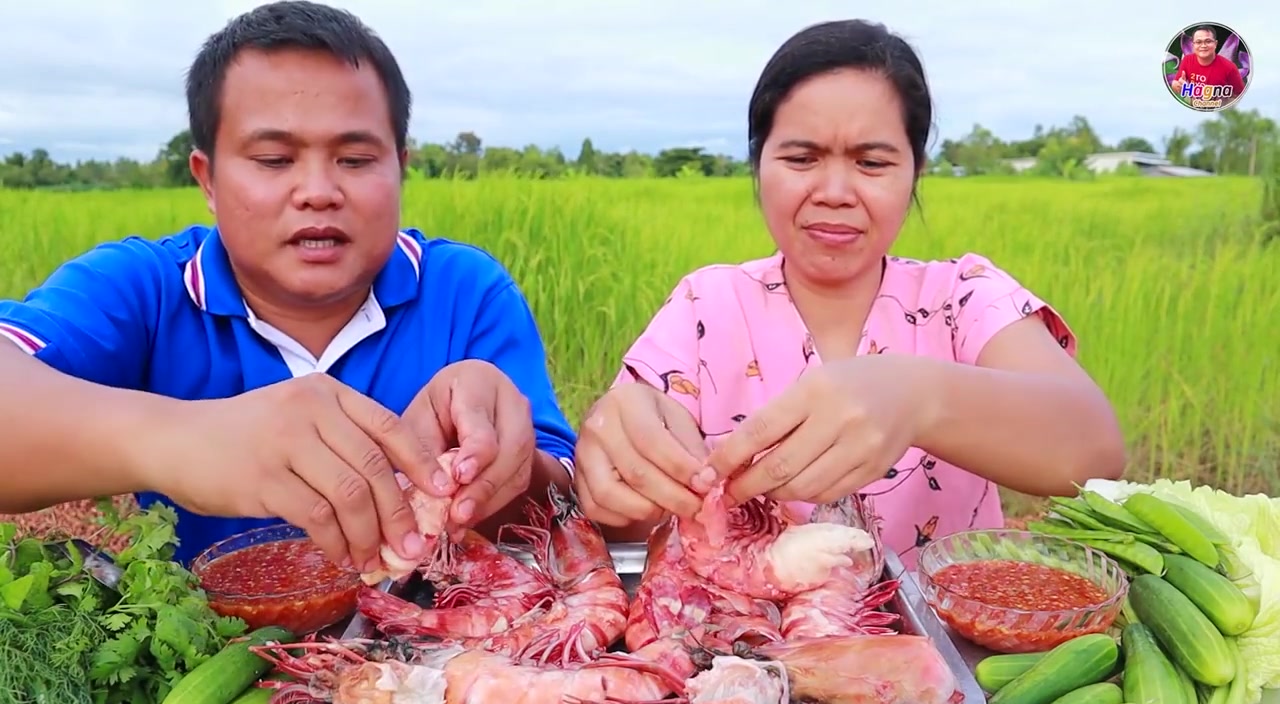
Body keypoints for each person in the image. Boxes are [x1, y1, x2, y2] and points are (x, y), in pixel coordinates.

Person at [0, 0, 577, 572]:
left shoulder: (464, 294)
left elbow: (565, 500)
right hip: (214, 641)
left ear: (399, 168)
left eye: (354, 159)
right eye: (275, 160)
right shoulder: (145, 289)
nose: (318, 191)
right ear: (208, 178)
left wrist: (502, 464)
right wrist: (183, 440)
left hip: (432, 646)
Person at [571, 19, 1128, 566]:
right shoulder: (706, 306)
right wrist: (619, 470)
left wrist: (920, 399)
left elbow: (1094, 450)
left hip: (938, 647)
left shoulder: (964, 299)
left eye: (871, 162)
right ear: (758, 163)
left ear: (915, 171)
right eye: (801, 158)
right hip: (743, 645)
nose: (834, 192)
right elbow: (627, 515)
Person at [1170, 26, 1245, 105]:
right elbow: (1175, 83)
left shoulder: (1230, 67)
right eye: (1198, 42)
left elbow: (1241, 96)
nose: (1203, 46)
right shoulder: (1187, 60)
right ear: (1193, 45)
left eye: (1208, 41)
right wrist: (1178, 86)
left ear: (1215, 44)